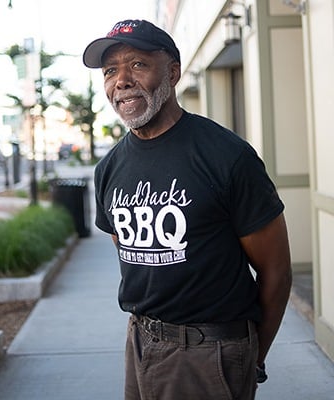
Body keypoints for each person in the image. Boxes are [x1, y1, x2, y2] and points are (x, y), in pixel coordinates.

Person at [83, 19, 292, 400]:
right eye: (110, 70)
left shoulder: (227, 157)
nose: (122, 80)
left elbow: (276, 271)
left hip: (207, 350)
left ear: (173, 72)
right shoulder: (109, 168)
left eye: (138, 64)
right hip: (140, 342)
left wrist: (250, 357)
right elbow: (130, 252)